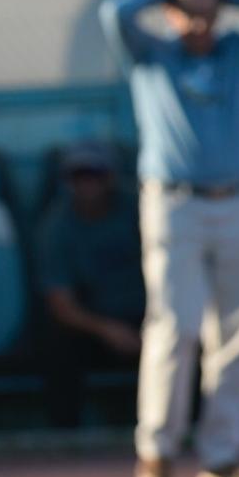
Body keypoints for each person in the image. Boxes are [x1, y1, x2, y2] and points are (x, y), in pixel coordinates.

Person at [99, 0, 239, 477]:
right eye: (187, 13)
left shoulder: (234, 51)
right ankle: (157, 451)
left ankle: (221, 454)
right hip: (174, 203)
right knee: (176, 324)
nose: (197, 23)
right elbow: (114, 14)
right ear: (170, 12)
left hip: (235, 200)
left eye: (207, 13)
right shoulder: (151, 54)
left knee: (236, 331)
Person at [36, 141, 145, 428]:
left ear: (110, 176)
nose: (87, 184)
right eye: (78, 176)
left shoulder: (140, 210)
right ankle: (64, 439)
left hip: (148, 316)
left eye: (95, 174)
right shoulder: (57, 225)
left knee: (187, 332)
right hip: (94, 323)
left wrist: (159, 323)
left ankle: (189, 432)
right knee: (56, 341)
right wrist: (108, 330)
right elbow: (59, 302)